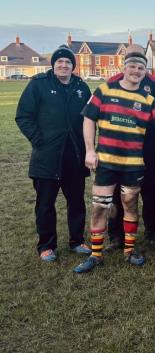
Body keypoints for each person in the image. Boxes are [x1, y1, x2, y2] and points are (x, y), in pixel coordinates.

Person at [73, 51, 155, 273]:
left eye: (141, 68)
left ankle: (129, 250)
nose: (136, 71)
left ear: (145, 71)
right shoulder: (105, 90)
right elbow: (88, 119)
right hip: (106, 162)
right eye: (132, 67)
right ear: (124, 67)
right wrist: (90, 151)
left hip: (133, 164)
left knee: (130, 205)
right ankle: (96, 254)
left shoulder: (148, 100)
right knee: (100, 207)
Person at [15, 45, 92, 261]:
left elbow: (90, 118)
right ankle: (46, 245)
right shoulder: (38, 85)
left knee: (76, 201)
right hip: (47, 157)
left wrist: (89, 147)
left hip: (75, 156)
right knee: (45, 204)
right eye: (60, 62)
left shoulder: (81, 87)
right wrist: (38, 140)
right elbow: (23, 116)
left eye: (68, 62)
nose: (64, 65)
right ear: (54, 64)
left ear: (72, 66)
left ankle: (77, 241)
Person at [106, 46, 155, 250]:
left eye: (140, 58)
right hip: (119, 149)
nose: (135, 65)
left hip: (148, 148)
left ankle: (154, 233)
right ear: (124, 62)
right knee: (117, 194)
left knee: (151, 192)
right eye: (130, 59)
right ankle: (116, 234)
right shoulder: (111, 82)